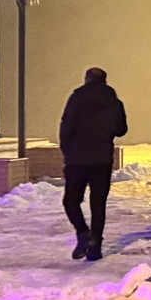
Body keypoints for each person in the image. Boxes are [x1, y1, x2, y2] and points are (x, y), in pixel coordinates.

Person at [59, 67, 127, 261]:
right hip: (102, 160)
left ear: (87, 79)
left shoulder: (76, 99)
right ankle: (95, 246)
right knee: (98, 204)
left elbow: (66, 127)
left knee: (71, 201)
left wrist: (67, 153)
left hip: (77, 160)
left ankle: (82, 232)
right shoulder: (114, 102)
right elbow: (121, 129)